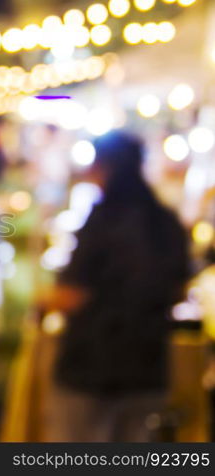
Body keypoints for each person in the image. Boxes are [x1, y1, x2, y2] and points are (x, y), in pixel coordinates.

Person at [45, 131, 191, 442]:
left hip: (90, 365)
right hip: (148, 363)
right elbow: (180, 287)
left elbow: (72, 293)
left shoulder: (102, 220)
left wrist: (44, 299)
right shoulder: (165, 220)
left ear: (105, 167)